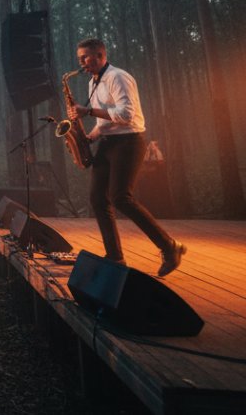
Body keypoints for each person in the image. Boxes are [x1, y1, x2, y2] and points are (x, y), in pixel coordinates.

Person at [69, 37, 185, 276]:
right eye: (79, 58)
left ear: (101, 56)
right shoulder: (94, 82)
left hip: (129, 142)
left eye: (86, 58)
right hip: (109, 142)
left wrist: (87, 111)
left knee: (121, 198)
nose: (81, 63)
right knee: (98, 199)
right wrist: (87, 138)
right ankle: (115, 257)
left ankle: (169, 247)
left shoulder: (118, 77)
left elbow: (126, 114)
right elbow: (103, 123)